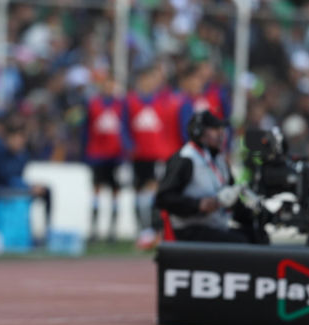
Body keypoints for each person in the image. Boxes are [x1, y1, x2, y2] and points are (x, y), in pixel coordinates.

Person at [155, 111, 268, 244]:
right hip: (189, 230)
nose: (221, 133)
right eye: (215, 129)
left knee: (258, 236)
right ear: (199, 132)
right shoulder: (185, 159)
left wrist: (258, 215)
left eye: (222, 129)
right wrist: (198, 205)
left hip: (215, 227)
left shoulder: (220, 160)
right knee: (239, 242)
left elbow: (232, 200)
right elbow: (163, 198)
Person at [126, 65, 181, 249]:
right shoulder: (131, 101)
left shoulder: (167, 101)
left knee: (154, 190)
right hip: (139, 155)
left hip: (158, 154)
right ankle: (144, 230)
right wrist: (128, 146)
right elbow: (125, 126)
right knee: (140, 191)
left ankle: (154, 230)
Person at [82, 74, 131, 242]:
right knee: (96, 189)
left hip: (116, 154)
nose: (109, 88)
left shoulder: (121, 105)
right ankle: (94, 230)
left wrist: (126, 149)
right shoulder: (93, 104)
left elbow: (126, 128)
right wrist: (86, 150)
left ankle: (113, 231)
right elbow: (86, 128)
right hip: (97, 154)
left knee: (115, 191)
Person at [0, 124, 52, 242]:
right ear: (9, 138)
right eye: (18, 138)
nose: (20, 142)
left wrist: (28, 187)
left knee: (46, 190)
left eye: (22, 139)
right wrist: (27, 187)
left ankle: (47, 230)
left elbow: (17, 177)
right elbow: (3, 176)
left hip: (14, 188)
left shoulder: (22, 155)